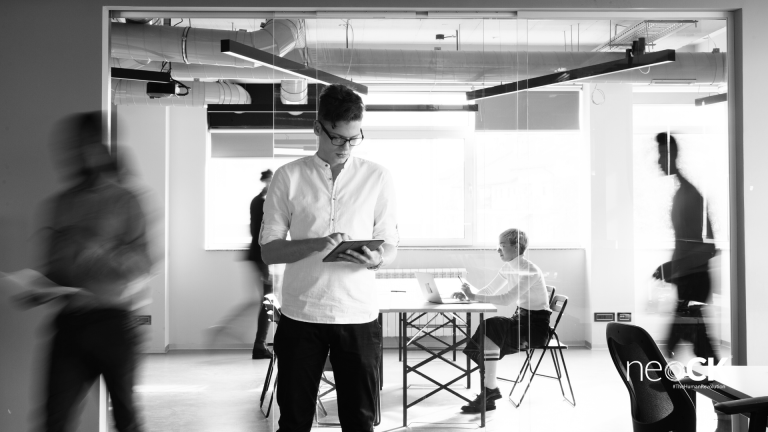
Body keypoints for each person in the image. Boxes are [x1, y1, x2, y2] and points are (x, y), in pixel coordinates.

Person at [260, 83, 398, 432]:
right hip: (300, 315)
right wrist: (317, 243)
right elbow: (269, 250)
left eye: (354, 139)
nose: (346, 147)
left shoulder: (377, 176)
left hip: (359, 315)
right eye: (338, 138)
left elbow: (391, 243)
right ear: (318, 128)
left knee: (361, 422)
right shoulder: (288, 176)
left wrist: (375, 260)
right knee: (293, 421)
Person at [38, 112, 154, 432]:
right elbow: (54, 268)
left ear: (101, 147)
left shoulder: (126, 200)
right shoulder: (61, 203)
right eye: (71, 147)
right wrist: (37, 288)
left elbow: (144, 264)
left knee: (126, 421)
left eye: (84, 145)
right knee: (53, 423)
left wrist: (102, 252)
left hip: (113, 325)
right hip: (70, 324)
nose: (75, 153)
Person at [452, 228, 551, 413]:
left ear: (516, 247)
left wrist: (474, 296)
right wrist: (470, 296)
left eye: (502, 246)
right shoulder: (509, 266)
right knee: (490, 327)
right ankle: (489, 391)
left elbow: (506, 299)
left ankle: (489, 391)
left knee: (492, 327)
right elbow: (489, 291)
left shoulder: (529, 270)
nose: (498, 250)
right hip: (521, 320)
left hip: (535, 329)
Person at [652, 132, 719, 363]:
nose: (658, 161)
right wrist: (671, 268)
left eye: (662, 155)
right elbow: (687, 244)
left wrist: (673, 267)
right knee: (699, 347)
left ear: (673, 155)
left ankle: (657, 390)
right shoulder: (683, 193)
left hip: (695, 282)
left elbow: (707, 248)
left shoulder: (689, 195)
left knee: (686, 346)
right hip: (689, 280)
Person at [248, 169, 274, 359]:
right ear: (266, 182)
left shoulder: (262, 201)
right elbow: (259, 232)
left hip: (263, 256)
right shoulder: (262, 202)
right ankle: (259, 346)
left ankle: (260, 344)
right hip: (262, 256)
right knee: (268, 300)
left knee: (268, 300)